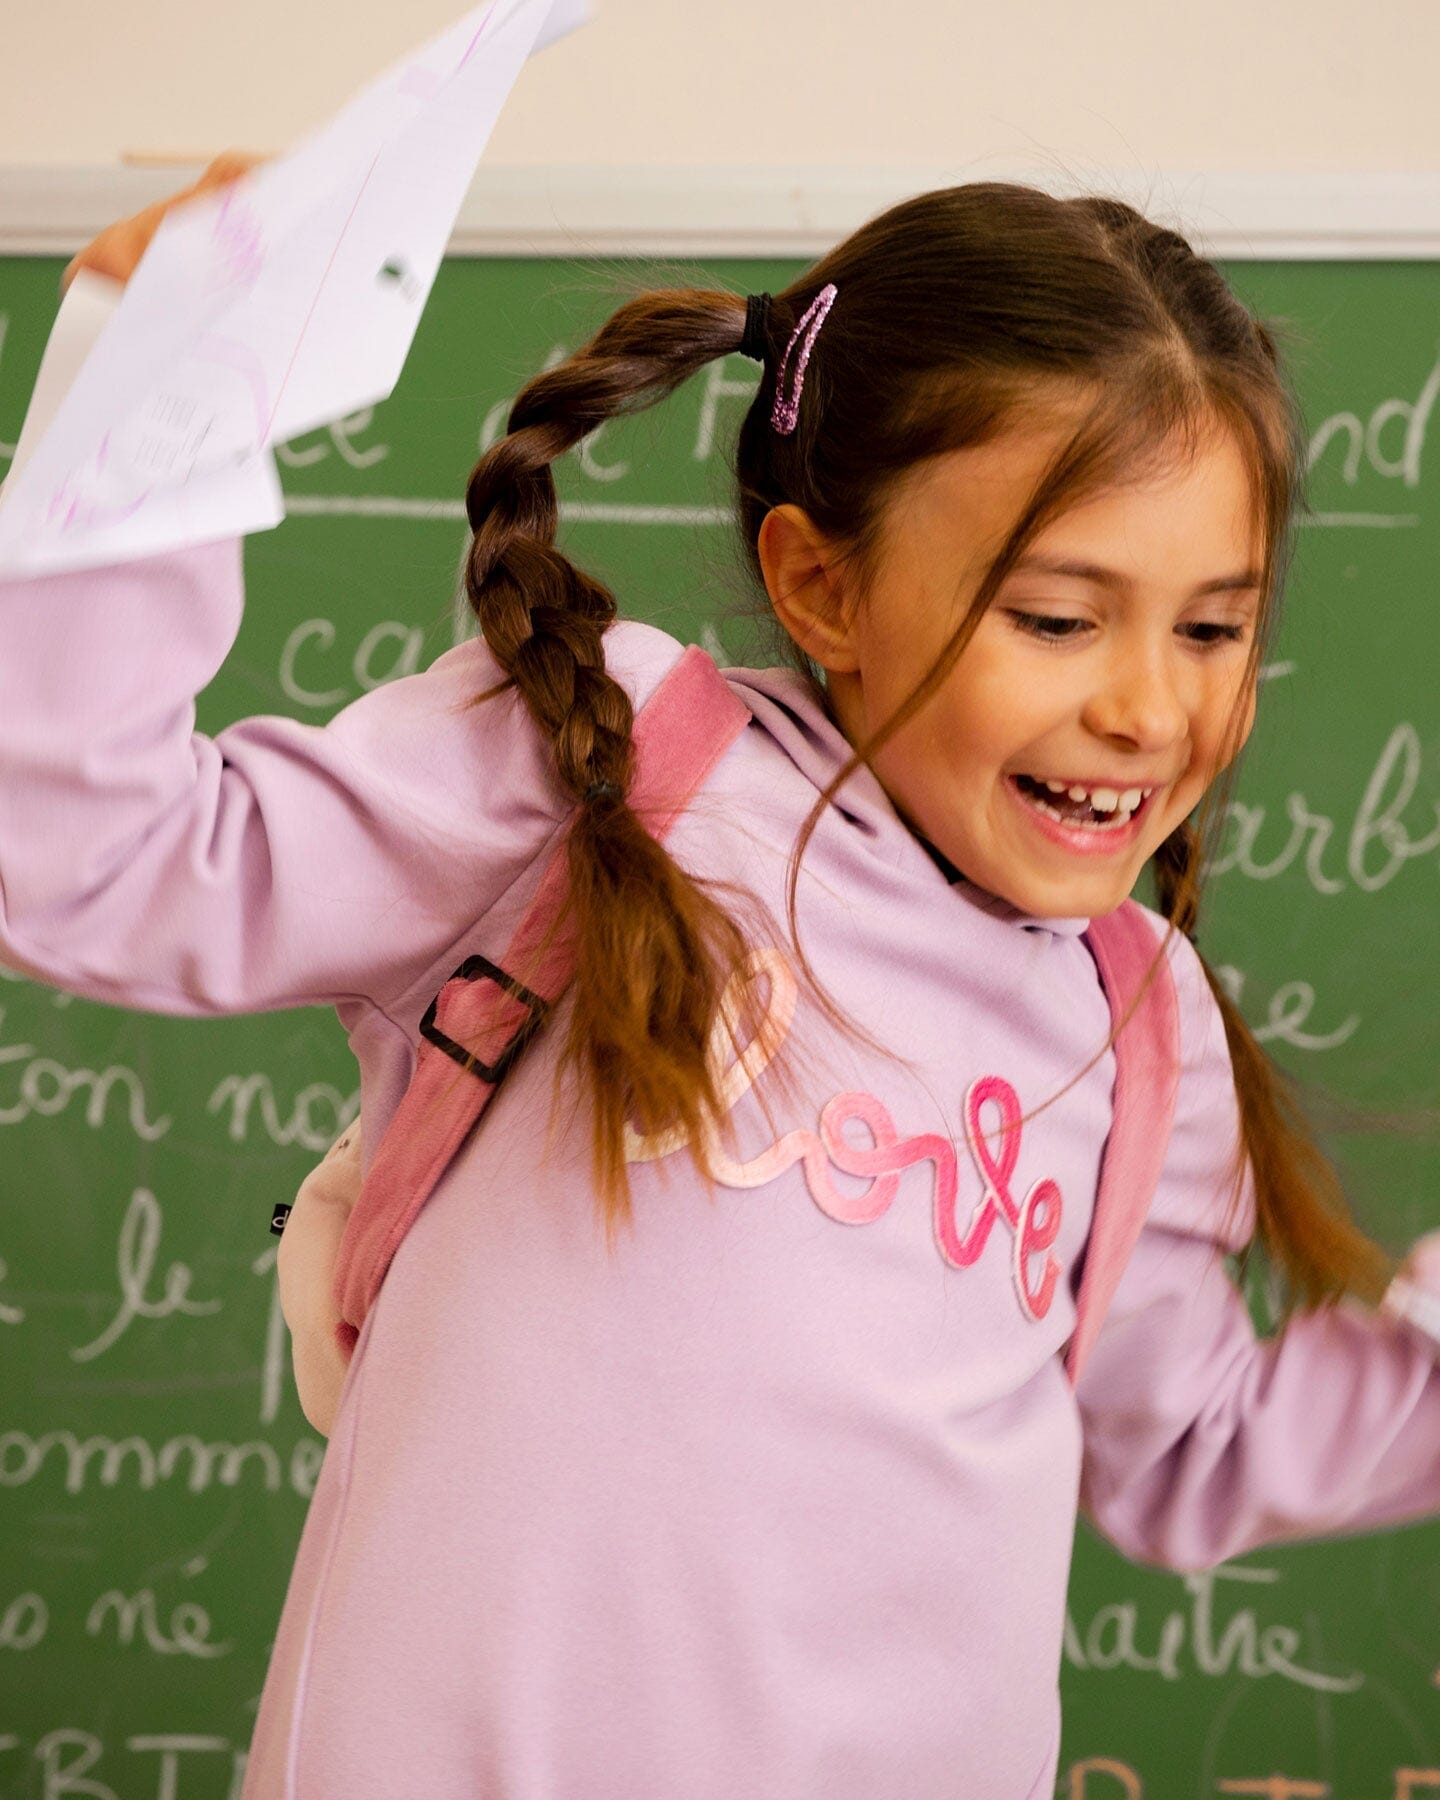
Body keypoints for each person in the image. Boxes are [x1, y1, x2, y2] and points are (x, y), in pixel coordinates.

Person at [8, 160, 1440, 1800]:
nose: (1149, 710)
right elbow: (89, 861)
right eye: (1057, 618)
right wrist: (154, 402)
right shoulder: (613, 772)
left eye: (1212, 631)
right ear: (823, 584)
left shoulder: (1135, 1020)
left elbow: (1193, 1447)